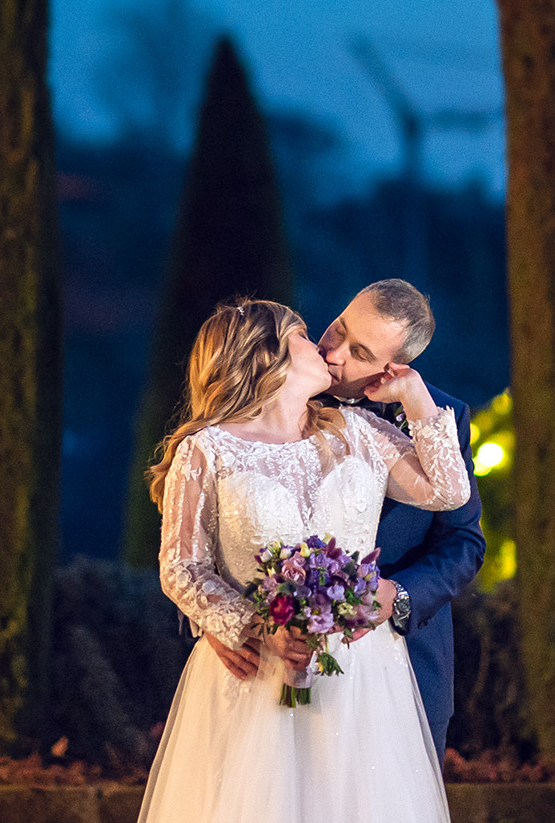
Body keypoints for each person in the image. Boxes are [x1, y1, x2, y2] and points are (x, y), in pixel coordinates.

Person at [112, 298, 477, 823]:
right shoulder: (207, 450)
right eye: (310, 336)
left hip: (366, 678)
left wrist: (417, 397)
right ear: (268, 359)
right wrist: (253, 627)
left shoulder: (356, 431)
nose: (327, 350)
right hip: (259, 678)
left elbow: (448, 494)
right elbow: (182, 568)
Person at [200, 279, 483, 760]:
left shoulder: (439, 415)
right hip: (275, 654)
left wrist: (398, 595)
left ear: (393, 367)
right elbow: (204, 531)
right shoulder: (282, 387)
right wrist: (216, 619)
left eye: (360, 351)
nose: (333, 353)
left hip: (402, 656)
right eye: (338, 329)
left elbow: (463, 540)